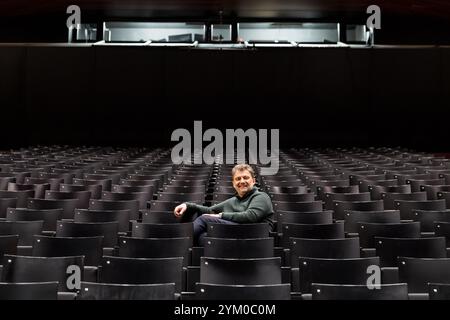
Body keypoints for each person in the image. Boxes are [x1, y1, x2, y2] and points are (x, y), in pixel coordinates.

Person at [173, 164, 274, 246]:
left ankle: (176, 244)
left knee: (204, 219)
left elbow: (250, 216)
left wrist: (221, 215)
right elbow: (210, 210)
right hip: (238, 236)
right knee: (204, 237)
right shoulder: (233, 201)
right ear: (234, 183)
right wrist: (188, 205)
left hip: (256, 237)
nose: (242, 181)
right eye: (238, 179)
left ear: (253, 181)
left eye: (245, 178)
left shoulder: (261, 197)